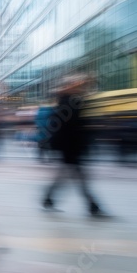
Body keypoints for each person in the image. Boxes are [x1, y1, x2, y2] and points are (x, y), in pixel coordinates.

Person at [42, 76, 107, 217]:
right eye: (78, 85)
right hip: (69, 145)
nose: (82, 87)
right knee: (78, 176)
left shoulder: (71, 101)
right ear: (69, 87)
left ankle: (49, 198)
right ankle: (92, 206)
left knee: (67, 175)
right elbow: (69, 126)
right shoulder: (68, 102)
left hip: (70, 145)